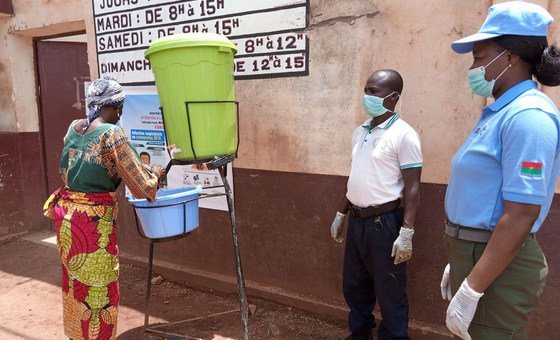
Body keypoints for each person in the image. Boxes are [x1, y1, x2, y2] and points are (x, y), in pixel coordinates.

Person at [441, 2, 560, 339]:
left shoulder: (529, 117)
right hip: (480, 255)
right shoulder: (500, 112)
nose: (473, 67)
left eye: (479, 57)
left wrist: (472, 287)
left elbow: (521, 214)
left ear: (509, 57)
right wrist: (461, 253)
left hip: (498, 266)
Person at [43, 76, 165, 340]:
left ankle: (78, 335)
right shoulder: (111, 134)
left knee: (75, 283)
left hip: (67, 220)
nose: (120, 114)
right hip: (92, 226)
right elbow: (144, 187)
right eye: (120, 108)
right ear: (114, 107)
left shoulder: (73, 127)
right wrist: (155, 175)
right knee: (99, 289)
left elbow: (90, 165)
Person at [330, 69, 423, 340]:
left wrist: (407, 232)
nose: (367, 96)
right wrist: (341, 212)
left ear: (393, 97)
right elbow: (356, 177)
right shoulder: (360, 132)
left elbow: (413, 186)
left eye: (374, 91)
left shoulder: (404, 135)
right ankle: (360, 333)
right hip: (357, 222)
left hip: (384, 224)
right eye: (366, 90)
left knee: (389, 288)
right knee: (355, 285)